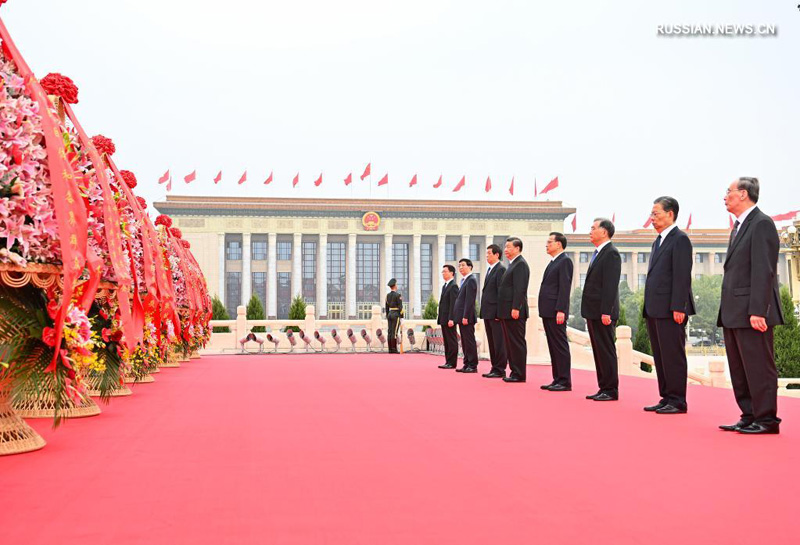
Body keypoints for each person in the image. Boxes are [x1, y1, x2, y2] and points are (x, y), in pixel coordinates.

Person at [718, 177, 784, 434]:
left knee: (758, 366)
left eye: (729, 191)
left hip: (752, 312)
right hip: (734, 311)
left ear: (743, 194)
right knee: (740, 368)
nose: (725, 196)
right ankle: (749, 414)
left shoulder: (761, 224)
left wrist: (759, 310)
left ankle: (767, 419)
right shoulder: (738, 227)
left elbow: (763, 270)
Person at [643, 197, 695, 414]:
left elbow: (682, 276)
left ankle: (677, 400)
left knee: (673, 355)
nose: (652, 218)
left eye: (656, 213)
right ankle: (666, 396)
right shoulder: (658, 241)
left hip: (671, 309)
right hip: (655, 308)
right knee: (661, 356)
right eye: (652, 214)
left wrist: (679, 307)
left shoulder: (679, 239)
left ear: (670, 214)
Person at [581, 218, 621, 401]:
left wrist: (606, 311)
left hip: (603, 312)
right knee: (598, 351)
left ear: (604, 232)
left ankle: (611, 389)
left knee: (606, 350)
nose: (590, 231)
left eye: (593, 228)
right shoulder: (599, 253)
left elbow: (610, 285)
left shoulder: (611, 253)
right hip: (593, 311)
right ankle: (603, 386)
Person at [538, 232, 574, 391]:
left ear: (559, 244)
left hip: (556, 311)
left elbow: (564, 288)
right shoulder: (553, 262)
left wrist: (561, 309)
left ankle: (564, 381)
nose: (547, 244)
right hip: (548, 310)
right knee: (552, 345)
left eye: (550, 242)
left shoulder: (564, 261)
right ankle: (557, 378)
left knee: (559, 345)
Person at [498, 237, 530, 383]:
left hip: (515, 311)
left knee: (516, 342)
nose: (505, 250)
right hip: (507, 312)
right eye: (505, 247)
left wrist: (516, 307)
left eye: (509, 247)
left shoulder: (520, 265)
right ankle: (514, 371)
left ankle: (519, 373)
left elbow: (520, 288)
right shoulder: (512, 264)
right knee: (510, 343)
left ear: (517, 248)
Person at [480, 244, 508, 378]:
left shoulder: (500, 269)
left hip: (495, 313)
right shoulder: (490, 270)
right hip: (488, 312)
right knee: (492, 341)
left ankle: (500, 368)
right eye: (486, 254)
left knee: (499, 341)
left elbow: (501, 293)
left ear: (497, 255)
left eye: (489, 253)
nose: (487, 256)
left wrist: (499, 312)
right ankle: (494, 367)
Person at [453, 258, 479, 372]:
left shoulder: (471, 280)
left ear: (470, 267)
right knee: (464, 341)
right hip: (461, 316)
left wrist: (465, 316)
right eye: (459, 266)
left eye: (463, 265)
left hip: (466, 317)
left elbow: (470, 300)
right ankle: (466, 363)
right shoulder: (463, 280)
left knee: (469, 341)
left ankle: (472, 365)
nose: (461, 267)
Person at [437, 265, 460, 369]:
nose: (443, 273)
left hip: (449, 319)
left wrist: (452, 318)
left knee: (451, 340)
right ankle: (448, 361)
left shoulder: (453, 286)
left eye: (445, 271)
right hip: (443, 318)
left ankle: (452, 362)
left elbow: (453, 304)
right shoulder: (445, 286)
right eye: (442, 271)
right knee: (446, 340)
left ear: (451, 273)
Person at [385, 278, 403, 354]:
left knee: (390, 331)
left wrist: (387, 315)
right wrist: (402, 317)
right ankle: (394, 349)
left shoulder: (387, 296)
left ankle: (390, 349)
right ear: (395, 285)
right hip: (396, 314)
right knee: (394, 332)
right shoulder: (398, 295)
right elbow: (400, 307)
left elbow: (386, 307)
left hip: (390, 314)